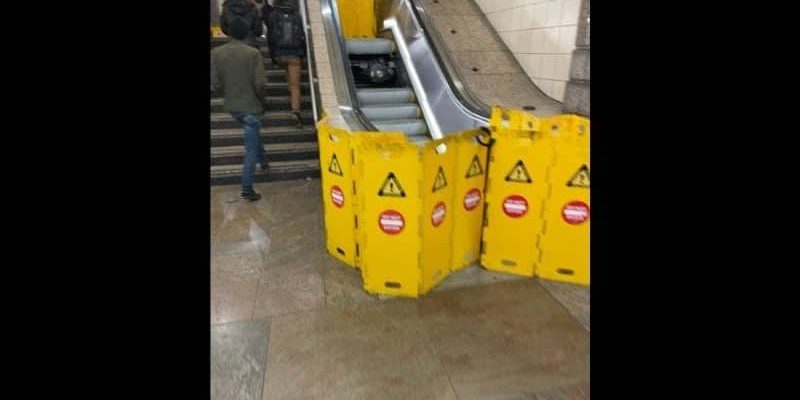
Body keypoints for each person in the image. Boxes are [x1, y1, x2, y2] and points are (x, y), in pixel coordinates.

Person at [211, 16, 270, 201]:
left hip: (232, 106)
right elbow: (260, 83)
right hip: (250, 106)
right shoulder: (253, 53)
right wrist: (262, 101)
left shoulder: (216, 53)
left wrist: (229, 91)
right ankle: (247, 189)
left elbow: (215, 84)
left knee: (253, 130)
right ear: (246, 33)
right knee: (250, 147)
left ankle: (264, 161)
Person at [267, 0, 306, 128]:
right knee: (295, 85)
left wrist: (273, 57)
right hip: (295, 56)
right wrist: (303, 55)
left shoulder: (273, 15)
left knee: (287, 71)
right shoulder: (296, 15)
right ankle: (295, 112)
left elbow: (271, 38)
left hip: (280, 55)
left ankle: (290, 89)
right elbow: (302, 36)